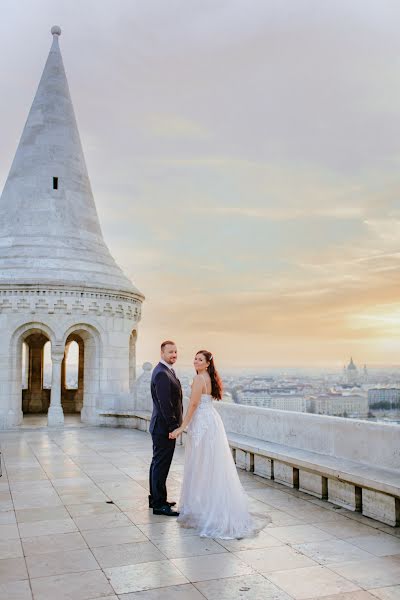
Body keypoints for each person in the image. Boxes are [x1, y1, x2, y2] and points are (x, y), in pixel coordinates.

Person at [170, 350, 260, 538]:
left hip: (202, 422)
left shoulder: (198, 379)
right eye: (195, 358)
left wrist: (182, 427)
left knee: (200, 464)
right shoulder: (209, 379)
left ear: (207, 364)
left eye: (199, 359)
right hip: (212, 420)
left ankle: (203, 507)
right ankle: (211, 506)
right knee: (212, 464)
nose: (195, 361)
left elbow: (193, 405)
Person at [149, 341, 183, 516]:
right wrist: (173, 426)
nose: (174, 355)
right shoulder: (162, 373)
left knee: (157, 463)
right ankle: (159, 504)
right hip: (164, 428)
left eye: (176, 352)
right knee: (161, 465)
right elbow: (165, 404)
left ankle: (155, 498)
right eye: (170, 352)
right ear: (162, 353)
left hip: (160, 426)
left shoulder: (166, 370)